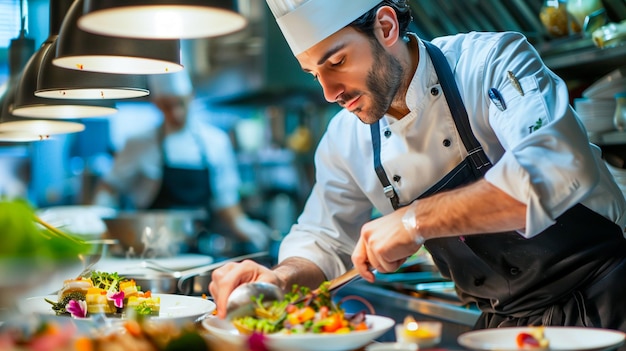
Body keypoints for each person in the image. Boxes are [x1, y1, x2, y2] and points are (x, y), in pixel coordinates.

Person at [209, 0, 626, 337]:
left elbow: (553, 169)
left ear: (386, 27)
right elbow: (324, 239)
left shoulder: (490, 62)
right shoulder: (344, 140)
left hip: (610, 302)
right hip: (504, 328)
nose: (329, 92)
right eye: (314, 74)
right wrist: (278, 282)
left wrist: (412, 221)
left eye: (335, 62)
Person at [93, 70, 270, 254]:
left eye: (180, 103)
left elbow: (226, 201)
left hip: (201, 249)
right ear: (156, 103)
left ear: (191, 96)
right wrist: (99, 223)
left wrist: (243, 225)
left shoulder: (216, 142)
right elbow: (109, 187)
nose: (176, 113)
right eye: (167, 106)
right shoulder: (138, 143)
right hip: (151, 250)